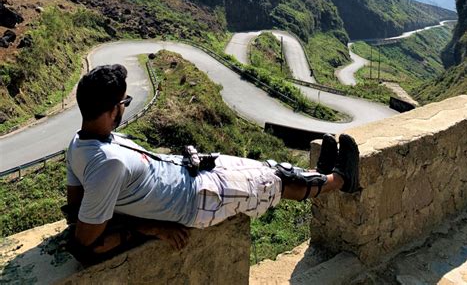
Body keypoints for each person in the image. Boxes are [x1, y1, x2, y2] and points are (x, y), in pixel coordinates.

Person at [67, 64, 359, 256]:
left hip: (194, 172)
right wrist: (151, 227)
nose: (125, 108)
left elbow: (77, 206)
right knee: (273, 183)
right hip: (200, 201)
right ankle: (341, 179)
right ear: (110, 109)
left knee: (269, 169)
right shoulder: (107, 164)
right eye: (124, 103)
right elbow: (86, 238)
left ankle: (317, 174)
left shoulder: (79, 143)